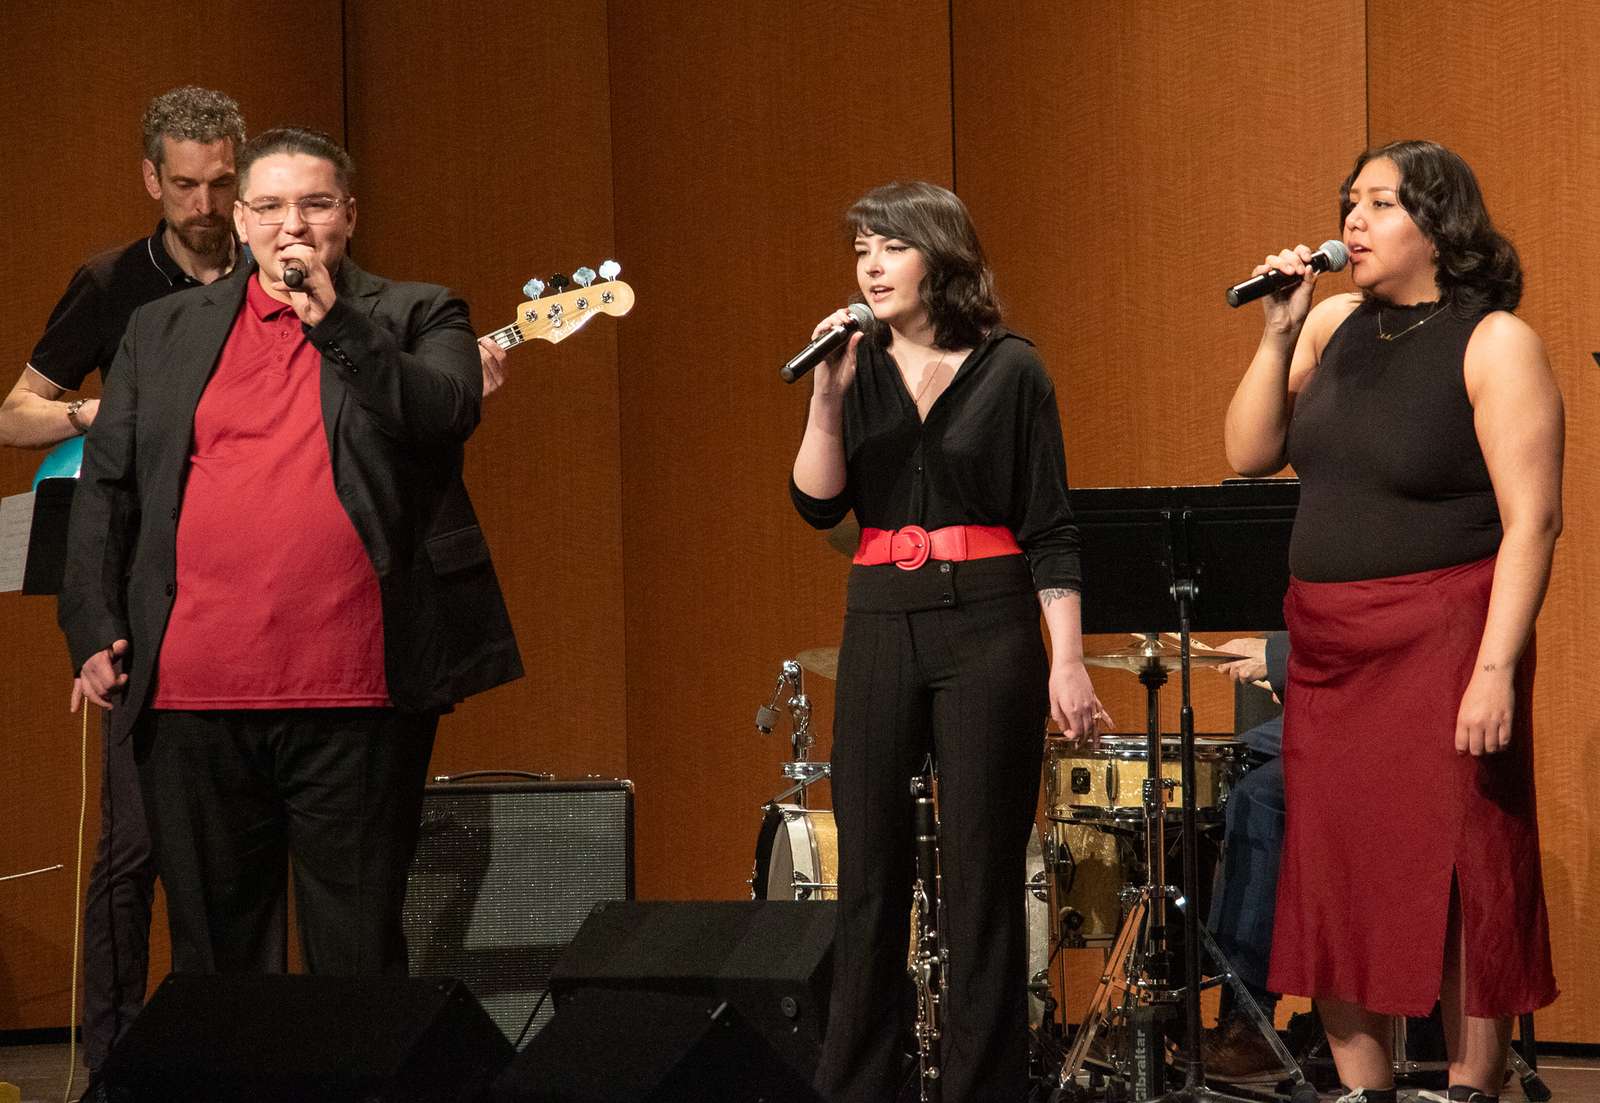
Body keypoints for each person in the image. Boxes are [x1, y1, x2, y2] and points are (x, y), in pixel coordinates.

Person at [58, 127, 520, 981]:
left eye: (312, 204)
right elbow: (109, 488)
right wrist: (91, 623)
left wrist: (335, 318)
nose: (291, 225)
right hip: (194, 692)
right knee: (216, 961)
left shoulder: (419, 312)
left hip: (357, 690)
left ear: (349, 215)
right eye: (268, 207)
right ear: (239, 221)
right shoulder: (160, 329)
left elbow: (444, 407)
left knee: (357, 957)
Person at [1223, 140, 1562, 1103]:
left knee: (1464, 864)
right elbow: (1249, 452)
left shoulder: (1495, 343)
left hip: (1448, 633)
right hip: (1332, 644)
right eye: (1349, 202)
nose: (1352, 222)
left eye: (1378, 203)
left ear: (1440, 225)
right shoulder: (1330, 325)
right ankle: (1365, 1089)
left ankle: (1469, 1086)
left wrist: (1495, 668)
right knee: (1335, 865)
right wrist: (1277, 332)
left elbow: (1533, 519)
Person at [789, 180, 1106, 1102]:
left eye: (890, 246)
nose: (871, 265)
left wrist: (1069, 659)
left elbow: (1051, 525)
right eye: (860, 251)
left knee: (980, 877)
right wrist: (826, 395)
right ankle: (857, 1086)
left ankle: (984, 1088)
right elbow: (817, 503)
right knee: (871, 876)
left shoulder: (1013, 369)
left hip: (989, 623)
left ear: (941, 255)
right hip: (881, 620)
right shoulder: (854, 364)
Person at [1, 86, 246, 1072]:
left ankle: (236, 1054)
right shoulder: (110, 283)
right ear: (153, 179)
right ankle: (113, 1064)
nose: (203, 202)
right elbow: (13, 412)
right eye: (183, 183)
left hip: (250, 584)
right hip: (144, 591)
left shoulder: (273, 275)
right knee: (134, 847)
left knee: (235, 848)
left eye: (220, 181)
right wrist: (87, 415)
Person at [1203, 633, 1289, 1080]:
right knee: (1209, 767)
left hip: (1375, 716)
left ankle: (1252, 1020)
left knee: (1257, 795)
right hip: (1315, 711)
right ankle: (1168, 1001)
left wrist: (1279, 657)